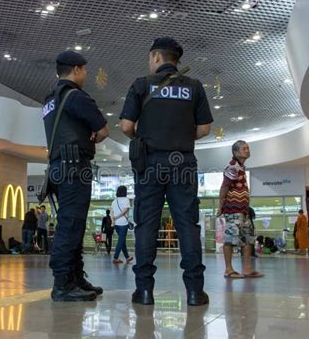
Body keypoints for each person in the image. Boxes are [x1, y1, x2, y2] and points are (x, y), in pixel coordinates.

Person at [120, 37, 213, 306]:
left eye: (150, 58)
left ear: (157, 57)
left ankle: (144, 291)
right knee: (187, 225)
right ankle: (195, 291)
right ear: (177, 60)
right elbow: (205, 128)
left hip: (149, 162)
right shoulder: (193, 87)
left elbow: (126, 126)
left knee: (146, 225)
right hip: (183, 162)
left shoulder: (140, 85)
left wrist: (147, 136)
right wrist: (181, 137)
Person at [43, 50, 109, 302]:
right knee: (70, 226)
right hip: (74, 167)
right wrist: (93, 136)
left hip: (58, 166)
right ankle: (62, 283)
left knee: (71, 224)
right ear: (77, 70)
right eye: (85, 70)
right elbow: (102, 129)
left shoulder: (50, 99)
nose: (86, 74)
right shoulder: (75, 96)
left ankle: (75, 278)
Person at [218, 140, 263, 279]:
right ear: (235, 152)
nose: (247, 150)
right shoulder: (233, 167)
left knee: (248, 239)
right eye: (244, 149)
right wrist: (220, 207)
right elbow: (224, 187)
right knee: (230, 239)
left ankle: (248, 269)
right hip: (233, 210)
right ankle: (229, 270)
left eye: (248, 148)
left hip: (243, 211)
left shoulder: (241, 167)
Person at [111, 186, 133, 264]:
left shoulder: (114, 201)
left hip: (116, 224)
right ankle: (115, 257)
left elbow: (111, 212)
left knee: (122, 240)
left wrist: (113, 220)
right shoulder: (126, 200)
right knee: (121, 240)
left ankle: (127, 257)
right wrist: (116, 217)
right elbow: (124, 211)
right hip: (123, 224)